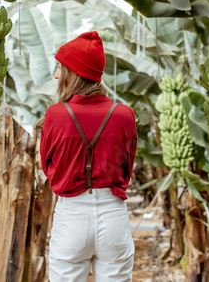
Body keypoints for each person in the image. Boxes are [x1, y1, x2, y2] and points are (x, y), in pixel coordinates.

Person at [39, 31, 138, 281]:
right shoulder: (124, 114)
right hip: (113, 215)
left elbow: (48, 167)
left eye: (60, 68)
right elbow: (127, 167)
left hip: (71, 215)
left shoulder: (55, 114)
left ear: (74, 72)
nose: (56, 75)